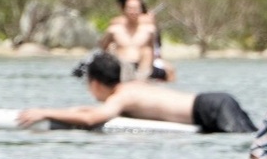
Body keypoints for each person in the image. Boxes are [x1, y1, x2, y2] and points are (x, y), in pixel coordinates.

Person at [17, 53, 254, 133]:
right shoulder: (131, 88)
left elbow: (93, 118)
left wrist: (44, 112)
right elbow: (91, 111)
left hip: (210, 109)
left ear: (96, 83)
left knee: (248, 146)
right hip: (214, 102)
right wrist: (67, 111)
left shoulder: (121, 96)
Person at [102, 0, 173, 81]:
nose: (133, 12)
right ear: (123, 8)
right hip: (123, 63)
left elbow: (154, 47)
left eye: (136, 8)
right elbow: (103, 46)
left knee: (169, 70)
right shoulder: (116, 26)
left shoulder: (148, 27)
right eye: (130, 8)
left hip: (145, 64)